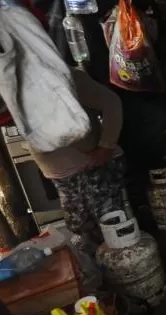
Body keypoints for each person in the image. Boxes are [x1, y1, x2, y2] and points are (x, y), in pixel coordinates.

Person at [30, 68, 124, 252]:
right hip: (64, 177)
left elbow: (112, 103)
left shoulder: (64, 76)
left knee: (111, 229)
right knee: (81, 230)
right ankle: (107, 271)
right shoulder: (18, 85)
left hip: (89, 169)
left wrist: (106, 146)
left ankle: (127, 272)